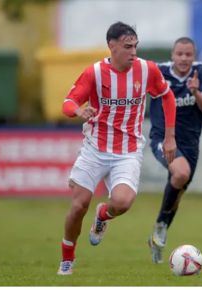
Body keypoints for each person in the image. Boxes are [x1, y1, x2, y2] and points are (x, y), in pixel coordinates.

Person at [57, 21, 177, 275]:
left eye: (135, 46)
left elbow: (167, 96)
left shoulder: (147, 70)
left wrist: (169, 137)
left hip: (128, 150)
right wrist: (78, 110)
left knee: (122, 202)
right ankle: (67, 258)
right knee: (79, 206)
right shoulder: (95, 73)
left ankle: (103, 215)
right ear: (112, 46)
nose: (133, 52)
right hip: (95, 148)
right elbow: (68, 102)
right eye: (127, 46)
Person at [147, 37, 202, 263]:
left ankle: (160, 228)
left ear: (194, 56)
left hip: (190, 144)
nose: (184, 58)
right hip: (163, 138)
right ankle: (160, 226)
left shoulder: (201, 72)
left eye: (188, 54)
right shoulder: (158, 72)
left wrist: (195, 92)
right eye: (180, 54)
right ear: (173, 55)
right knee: (181, 173)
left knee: (179, 186)